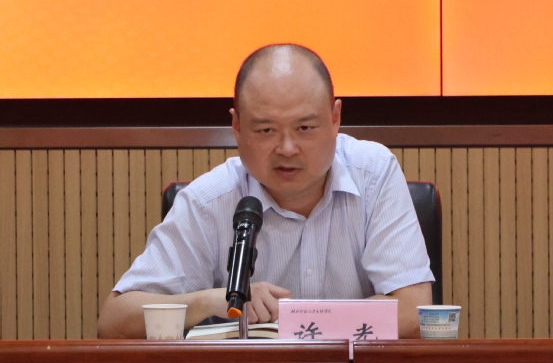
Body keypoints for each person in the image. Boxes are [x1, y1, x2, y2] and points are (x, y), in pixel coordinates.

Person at [97, 43, 433, 339]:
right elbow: (114, 321)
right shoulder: (209, 200)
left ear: (335, 118)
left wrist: (293, 323)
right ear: (237, 127)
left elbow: (413, 311)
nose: (287, 148)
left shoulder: (373, 175)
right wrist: (211, 300)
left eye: (305, 127)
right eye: (266, 130)